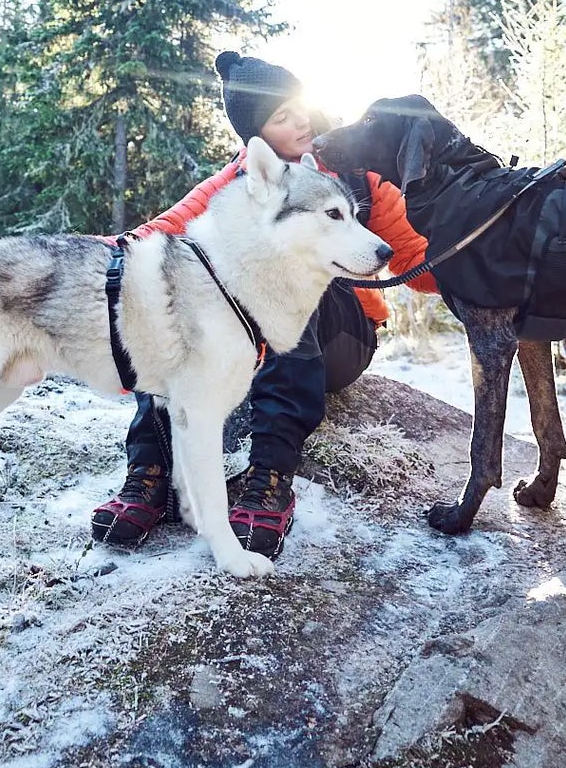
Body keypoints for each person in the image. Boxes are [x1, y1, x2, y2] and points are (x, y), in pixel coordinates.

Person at [90, 51, 442, 560]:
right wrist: (82, 257)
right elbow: (159, 232)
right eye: (281, 116)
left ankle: (270, 478)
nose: (300, 120)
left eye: (298, 107)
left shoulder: (355, 172)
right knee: (170, 301)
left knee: (289, 286)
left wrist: (480, 272)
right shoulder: (237, 185)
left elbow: (416, 255)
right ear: (257, 137)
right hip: (251, 345)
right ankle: (147, 474)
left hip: (341, 335)